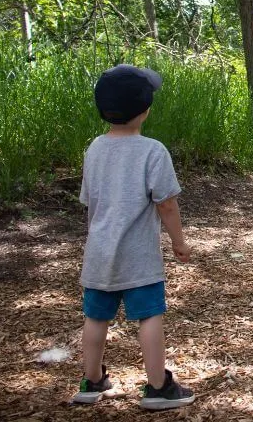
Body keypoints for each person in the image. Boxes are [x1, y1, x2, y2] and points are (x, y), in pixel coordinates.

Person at [72, 64, 195, 410]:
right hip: (138, 256)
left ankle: (92, 380)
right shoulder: (152, 151)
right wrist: (179, 242)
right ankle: (157, 387)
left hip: (99, 254)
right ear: (144, 110)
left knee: (96, 317)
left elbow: (89, 201)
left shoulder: (94, 149)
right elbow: (166, 204)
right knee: (149, 316)